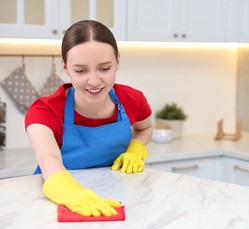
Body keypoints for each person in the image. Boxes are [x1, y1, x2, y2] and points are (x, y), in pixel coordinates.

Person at [25, 20, 153, 217]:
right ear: (65, 67)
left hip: (118, 194)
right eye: (80, 70)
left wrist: (135, 149)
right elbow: (47, 158)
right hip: (58, 198)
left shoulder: (132, 99)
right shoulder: (45, 110)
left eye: (104, 68)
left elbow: (144, 128)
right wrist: (68, 192)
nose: (94, 81)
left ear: (118, 61)